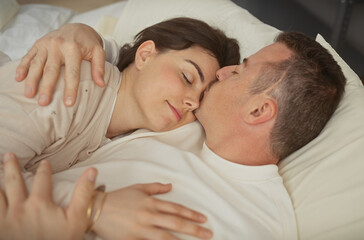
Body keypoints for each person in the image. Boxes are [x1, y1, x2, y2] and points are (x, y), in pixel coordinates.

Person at [11, 23, 346, 239]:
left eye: (240, 70)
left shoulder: (256, 223)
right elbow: (138, 70)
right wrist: (86, 35)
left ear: (259, 110)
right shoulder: (185, 116)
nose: (222, 74)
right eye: (190, 80)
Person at [1, 18, 241, 239]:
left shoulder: (126, 134)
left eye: (201, 99)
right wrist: (92, 208)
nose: (193, 102)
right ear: (145, 55)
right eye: (188, 77)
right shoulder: (71, 85)